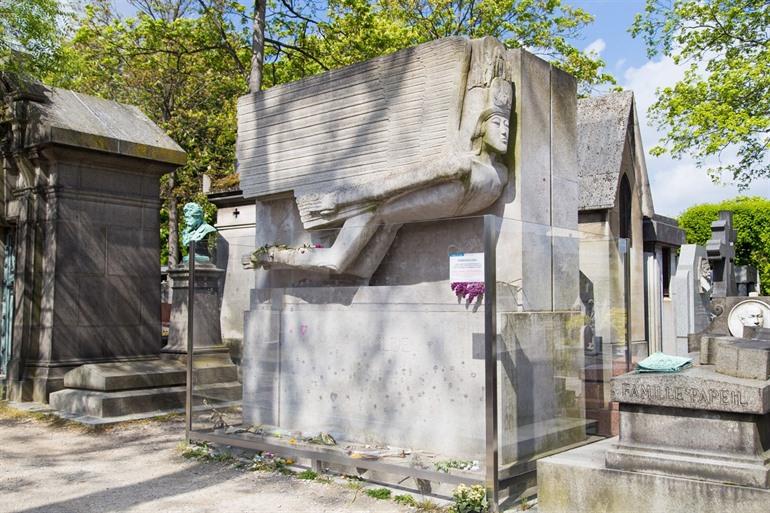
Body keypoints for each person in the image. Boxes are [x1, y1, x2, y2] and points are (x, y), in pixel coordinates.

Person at [253, 77, 512, 276]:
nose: (504, 131)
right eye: (496, 123)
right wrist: (340, 200)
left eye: (508, 124)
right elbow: (398, 184)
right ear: (481, 127)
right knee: (334, 261)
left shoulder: (500, 175)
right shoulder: (461, 165)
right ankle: (274, 255)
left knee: (360, 271)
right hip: (371, 209)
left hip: (391, 223)